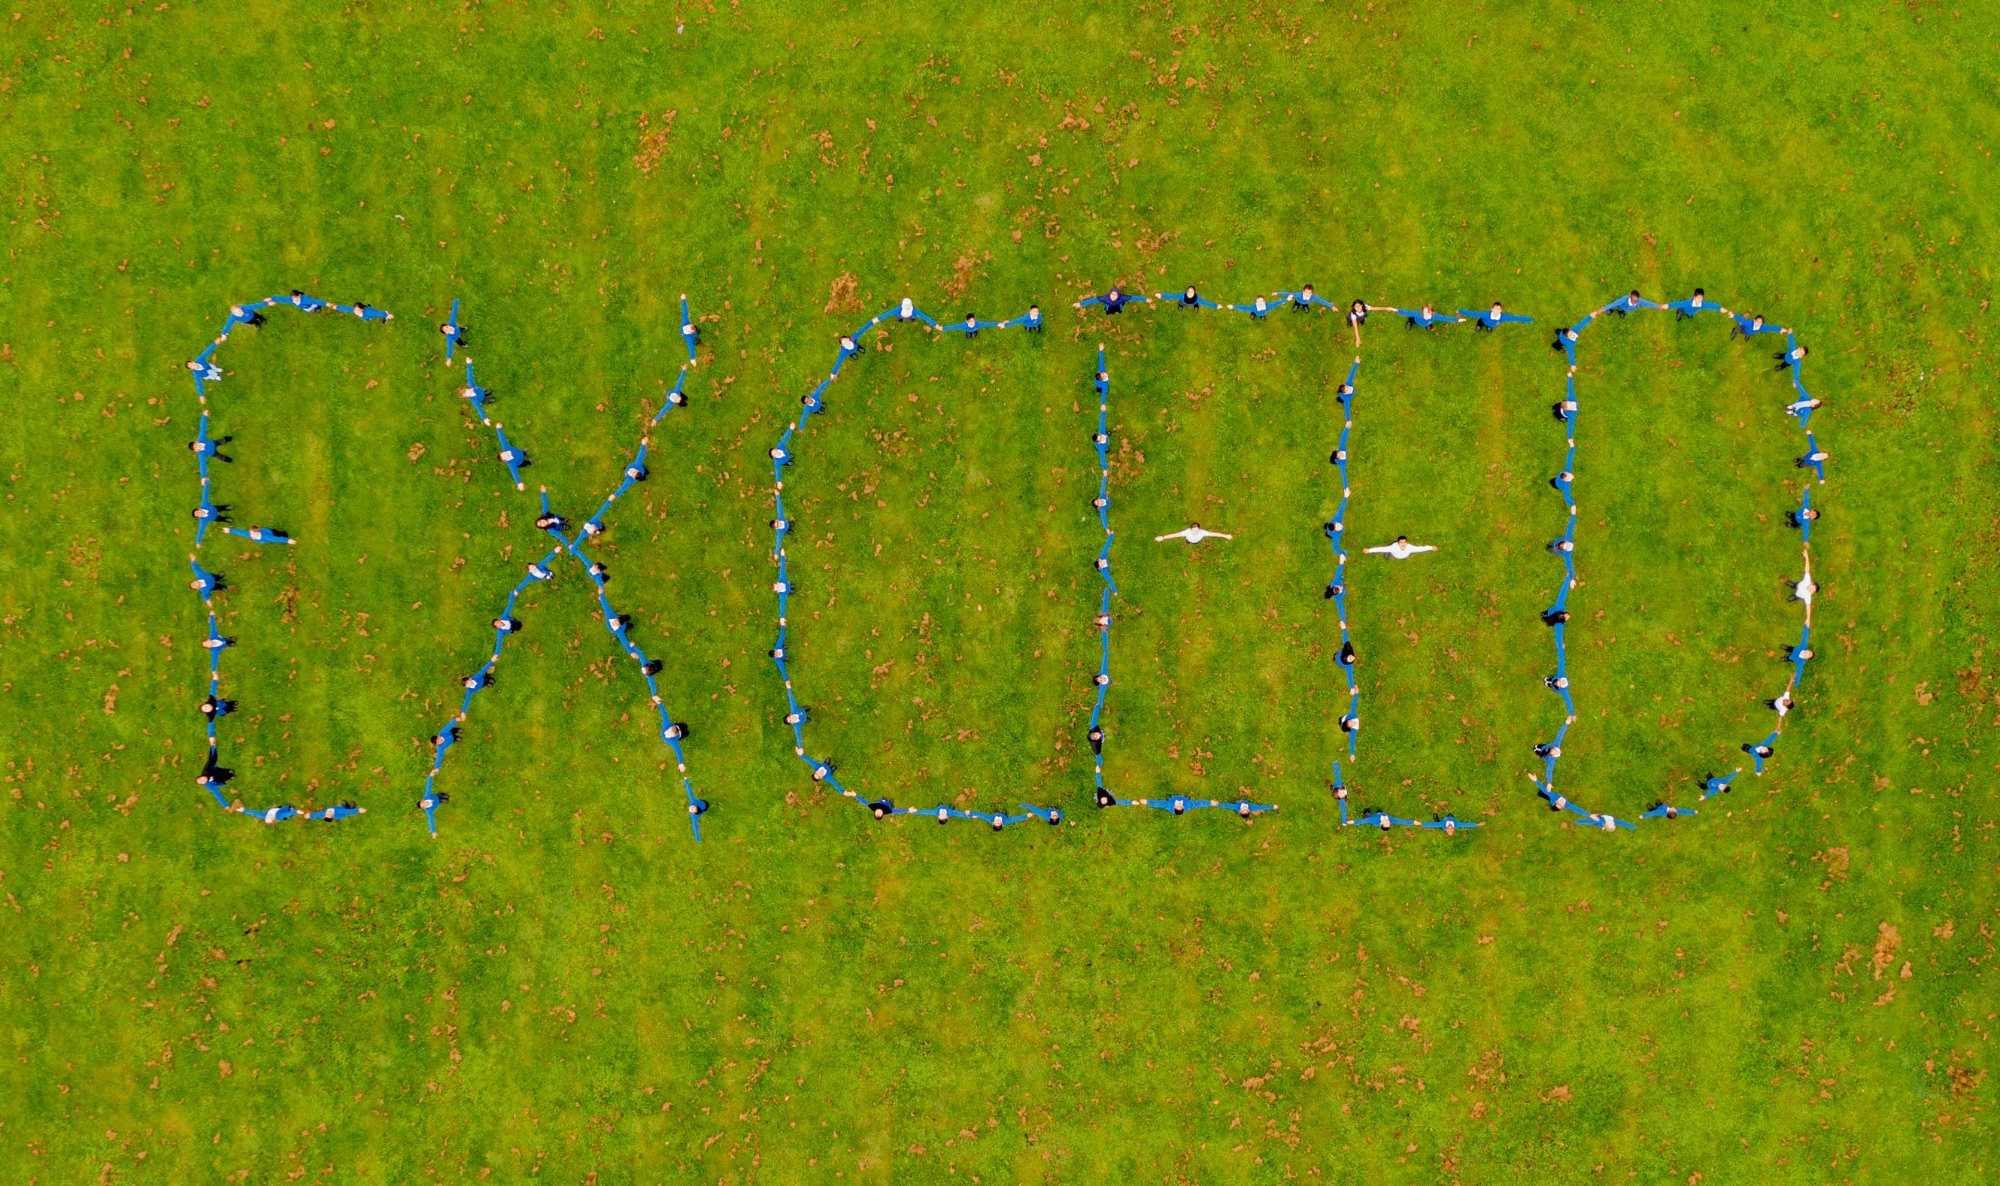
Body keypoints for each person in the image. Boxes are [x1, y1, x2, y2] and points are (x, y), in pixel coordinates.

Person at [1363, 536, 1436, 560]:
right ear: (1398, 543)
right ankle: (1388, 552)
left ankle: (1391, 546)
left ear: (1407, 542)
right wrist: (1369, 550)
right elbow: (1381, 549)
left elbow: (1420, 548)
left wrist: (1431, 547)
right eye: (1401, 542)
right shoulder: (1393, 548)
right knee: (1387, 549)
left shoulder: (1410, 547)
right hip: (1395, 554)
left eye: (1404, 542)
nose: (1403, 544)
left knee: (1389, 548)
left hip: (1403, 556)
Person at [1155, 523, 1233, 544]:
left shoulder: (1202, 532)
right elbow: (1175, 535)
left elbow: (1213, 534)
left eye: (1197, 530)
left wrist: (1225, 536)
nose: (1195, 532)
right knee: (1189, 542)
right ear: (1190, 529)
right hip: (1189, 540)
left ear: (1199, 529)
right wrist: (1163, 537)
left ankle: (1194, 543)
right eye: (1193, 530)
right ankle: (1189, 542)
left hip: (1197, 541)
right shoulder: (1187, 532)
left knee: (1196, 542)